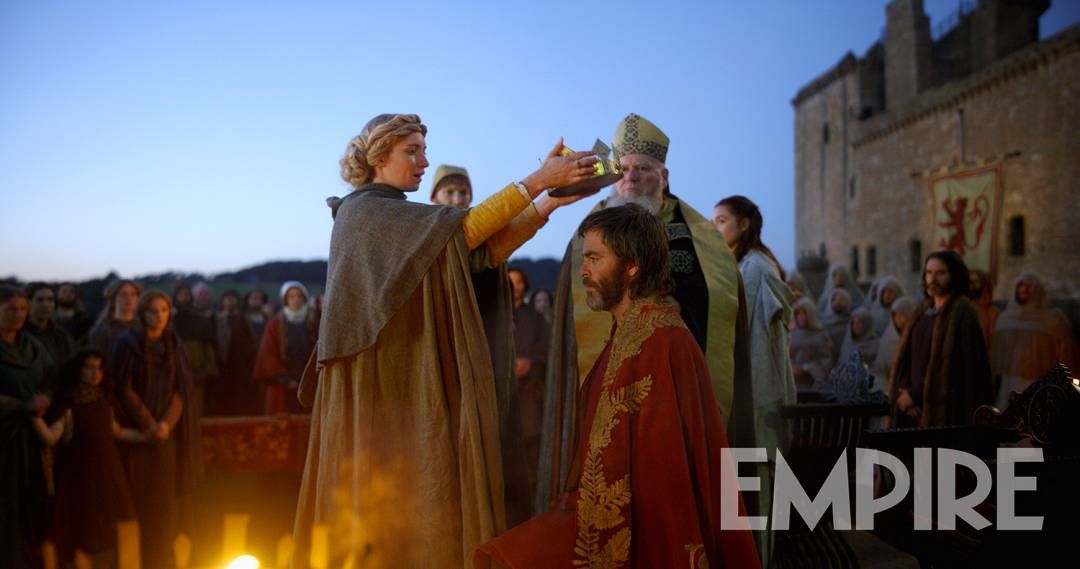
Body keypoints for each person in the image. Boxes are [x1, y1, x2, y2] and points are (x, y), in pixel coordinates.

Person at [292, 113, 599, 567]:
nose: (423, 161)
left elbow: (477, 253)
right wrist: (537, 181)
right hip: (381, 394)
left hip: (406, 383)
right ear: (378, 157)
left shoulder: (395, 213)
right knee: (386, 510)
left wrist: (546, 206)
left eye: (424, 151)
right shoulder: (364, 213)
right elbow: (465, 232)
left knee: (421, 499)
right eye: (411, 151)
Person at [476, 205, 760, 568]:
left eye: (595, 258)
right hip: (601, 517)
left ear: (632, 266)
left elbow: (667, 479)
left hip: (643, 536)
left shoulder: (664, 342)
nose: (583, 270)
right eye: (584, 258)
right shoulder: (626, 333)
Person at [539, 113, 753, 517]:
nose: (632, 178)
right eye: (623, 169)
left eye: (643, 169)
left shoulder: (701, 238)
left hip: (674, 376)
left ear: (664, 176)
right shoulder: (591, 230)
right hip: (608, 374)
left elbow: (714, 304)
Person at [713, 195, 794, 566]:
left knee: (758, 485)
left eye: (722, 221)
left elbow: (757, 338)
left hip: (759, 389)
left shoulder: (757, 267)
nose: (715, 228)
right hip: (742, 389)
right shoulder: (739, 265)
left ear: (744, 224)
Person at [113, 291, 203, 569]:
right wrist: (148, 424)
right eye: (153, 311)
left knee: (166, 500)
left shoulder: (174, 344)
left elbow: (181, 391)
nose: (159, 316)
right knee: (138, 498)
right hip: (138, 435)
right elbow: (123, 388)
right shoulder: (128, 344)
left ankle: (164, 558)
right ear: (143, 314)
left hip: (167, 436)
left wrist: (165, 425)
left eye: (164, 310)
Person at [36, 349, 141, 569]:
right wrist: (34, 417)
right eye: (90, 368)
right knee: (81, 536)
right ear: (79, 370)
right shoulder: (69, 404)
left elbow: (116, 431)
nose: (96, 374)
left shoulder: (104, 400)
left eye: (100, 369)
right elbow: (51, 437)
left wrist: (147, 436)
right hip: (81, 479)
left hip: (108, 477)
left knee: (113, 533)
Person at [887, 251, 993, 428]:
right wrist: (905, 394)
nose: (932, 279)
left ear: (953, 276)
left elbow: (957, 369)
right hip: (912, 411)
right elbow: (906, 357)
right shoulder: (921, 313)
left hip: (946, 411)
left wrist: (915, 395)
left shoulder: (962, 314)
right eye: (929, 273)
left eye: (940, 273)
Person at [0, 285, 52, 568]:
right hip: (5, 443)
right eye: (11, 309)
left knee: (31, 509)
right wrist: (21, 406)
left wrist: (45, 399)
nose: (18, 315)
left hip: (33, 440)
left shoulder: (32, 346)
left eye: (23, 309)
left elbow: (51, 377)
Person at [992, 272, 1080, 409]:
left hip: (1039, 383)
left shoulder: (1053, 321)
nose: (1024, 290)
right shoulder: (1005, 319)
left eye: (1029, 286)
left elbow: (1066, 353)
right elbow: (996, 355)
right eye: (1021, 285)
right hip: (1009, 382)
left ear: (1037, 290)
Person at [507, 267, 550, 496]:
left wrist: (530, 361)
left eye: (518, 282)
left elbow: (546, 347)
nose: (514, 287)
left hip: (528, 390)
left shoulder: (535, 318)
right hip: (498, 393)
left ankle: (532, 491)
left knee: (529, 439)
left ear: (525, 285)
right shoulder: (493, 316)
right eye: (509, 281)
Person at [252, 281, 316, 414]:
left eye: (299, 296)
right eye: (291, 297)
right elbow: (268, 354)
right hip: (282, 384)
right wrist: (285, 380)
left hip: (309, 383)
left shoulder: (313, 322)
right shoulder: (275, 324)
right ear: (286, 300)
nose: (296, 300)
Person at [171, 282, 218, 415]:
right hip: (173, 376)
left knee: (195, 410)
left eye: (186, 295)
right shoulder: (168, 321)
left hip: (197, 375)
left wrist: (204, 372)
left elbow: (208, 349)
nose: (184, 298)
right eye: (181, 295)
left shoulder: (201, 321)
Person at [87, 279, 143, 375]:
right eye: (123, 294)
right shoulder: (102, 330)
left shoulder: (143, 327)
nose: (129, 298)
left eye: (133, 294)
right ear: (113, 298)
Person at [23, 282, 76, 379]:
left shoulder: (61, 336)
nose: (45, 304)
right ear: (28, 303)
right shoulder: (19, 334)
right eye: (39, 300)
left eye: (50, 300)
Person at [870, 296, 916, 386]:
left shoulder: (918, 336)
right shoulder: (887, 339)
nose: (899, 319)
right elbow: (880, 369)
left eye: (902, 314)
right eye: (895, 315)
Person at [789, 296, 834, 389]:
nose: (801, 318)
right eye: (798, 314)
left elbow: (826, 360)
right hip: (794, 383)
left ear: (810, 314)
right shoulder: (791, 335)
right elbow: (787, 356)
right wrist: (791, 367)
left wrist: (806, 368)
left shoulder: (820, 335)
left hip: (813, 384)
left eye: (804, 314)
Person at [837, 307, 880, 372]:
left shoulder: (874, 345)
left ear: (867, 324)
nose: (855, 325)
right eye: (853, 322)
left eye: (859, 322)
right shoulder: (848, 339)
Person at [968, 269, 1000, 352]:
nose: (971, 285)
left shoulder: (994, 312)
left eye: (975, 282)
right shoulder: (966, 310)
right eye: (970, 282)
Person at [822, 289, 853, 365]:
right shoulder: (824, 318)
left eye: (840, 301)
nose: (835, 303)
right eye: (834, 300)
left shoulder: (848, 324)